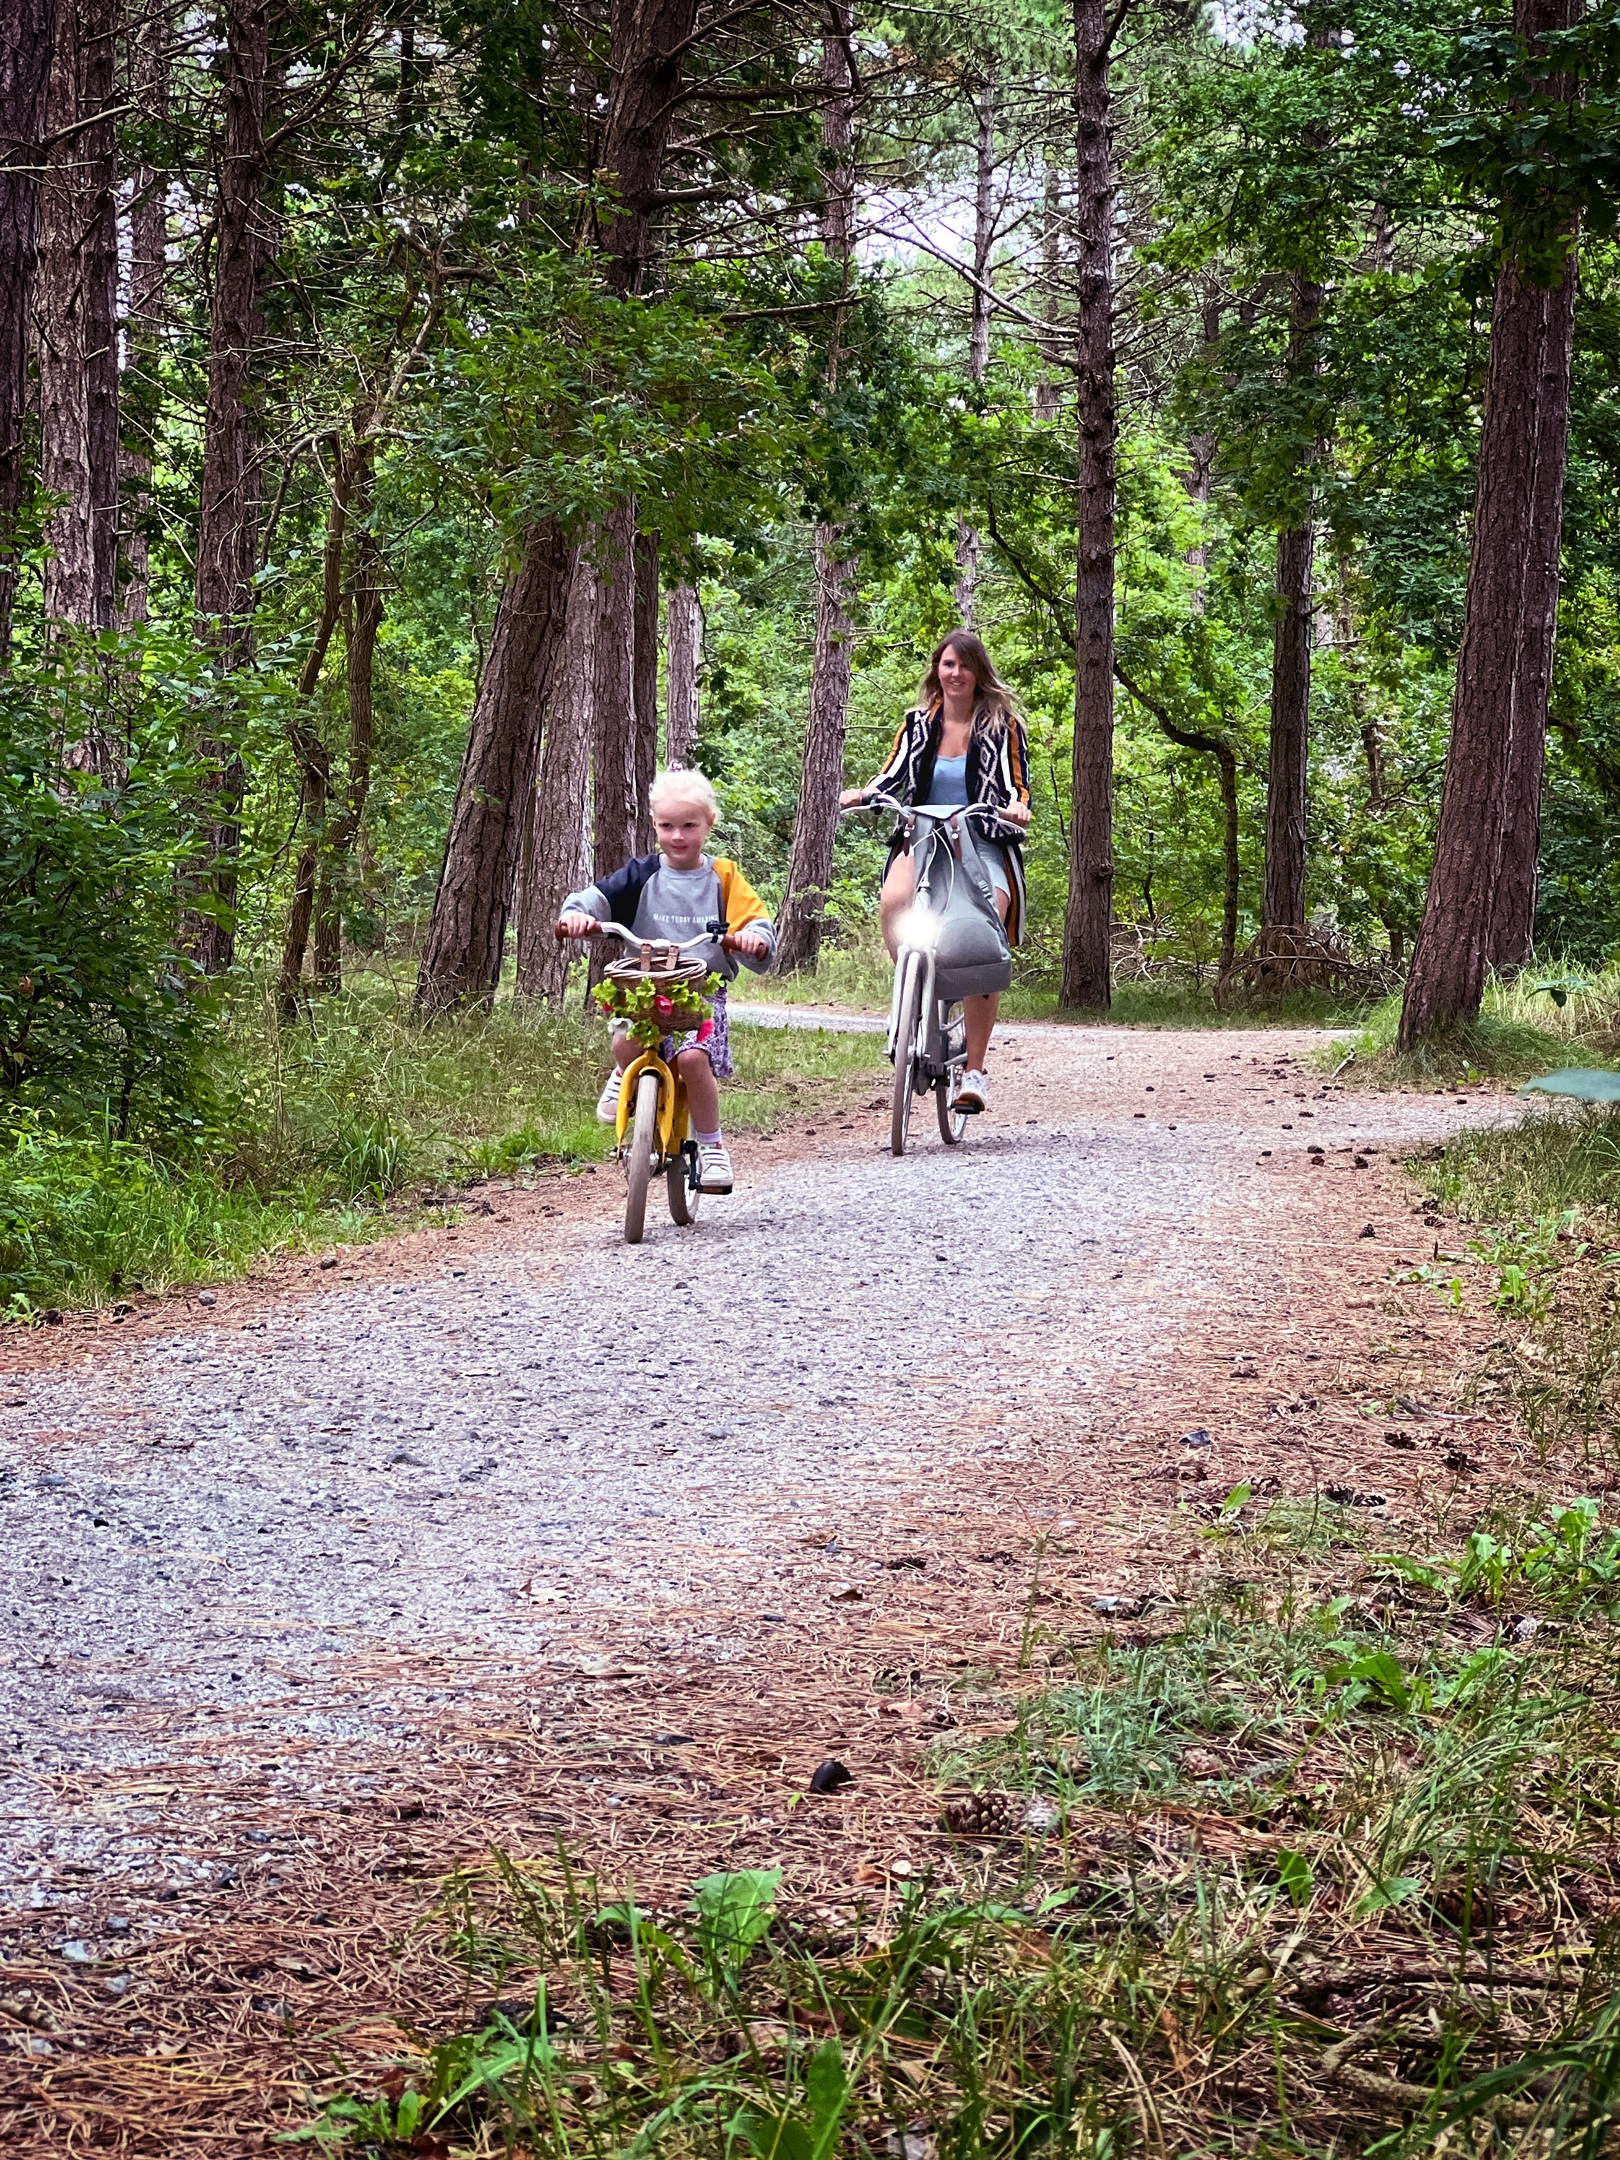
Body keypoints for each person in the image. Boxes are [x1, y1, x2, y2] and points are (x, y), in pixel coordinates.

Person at [840, 629, 1031, 1113]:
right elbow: (894, 773)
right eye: (947, 664)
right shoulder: (918, 724)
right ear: (937, 671)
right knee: (893, 901)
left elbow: (1016, 785)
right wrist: (864, 794)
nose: (955, 673)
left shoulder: (1001, 724)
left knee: (981, 933)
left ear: (978, 672)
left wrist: (1016, 809)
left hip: (981, 837)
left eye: (965, 665)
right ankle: (913, 991)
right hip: (922, 834)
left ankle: (974, 1072)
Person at [557, 769, 774, 1194]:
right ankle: (623, 1074)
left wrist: (754, 939)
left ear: (709, 824)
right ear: (655, 824)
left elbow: (757, 921)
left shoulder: (724, 876)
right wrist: (577, 916)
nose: (677, 836)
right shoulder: (640, 874)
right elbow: (595, 898)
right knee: (627, 1035)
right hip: (643, 983)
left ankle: (712, 1147)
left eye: (689, 825)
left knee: (694, 1060)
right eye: (667, 826)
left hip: (701, 989)